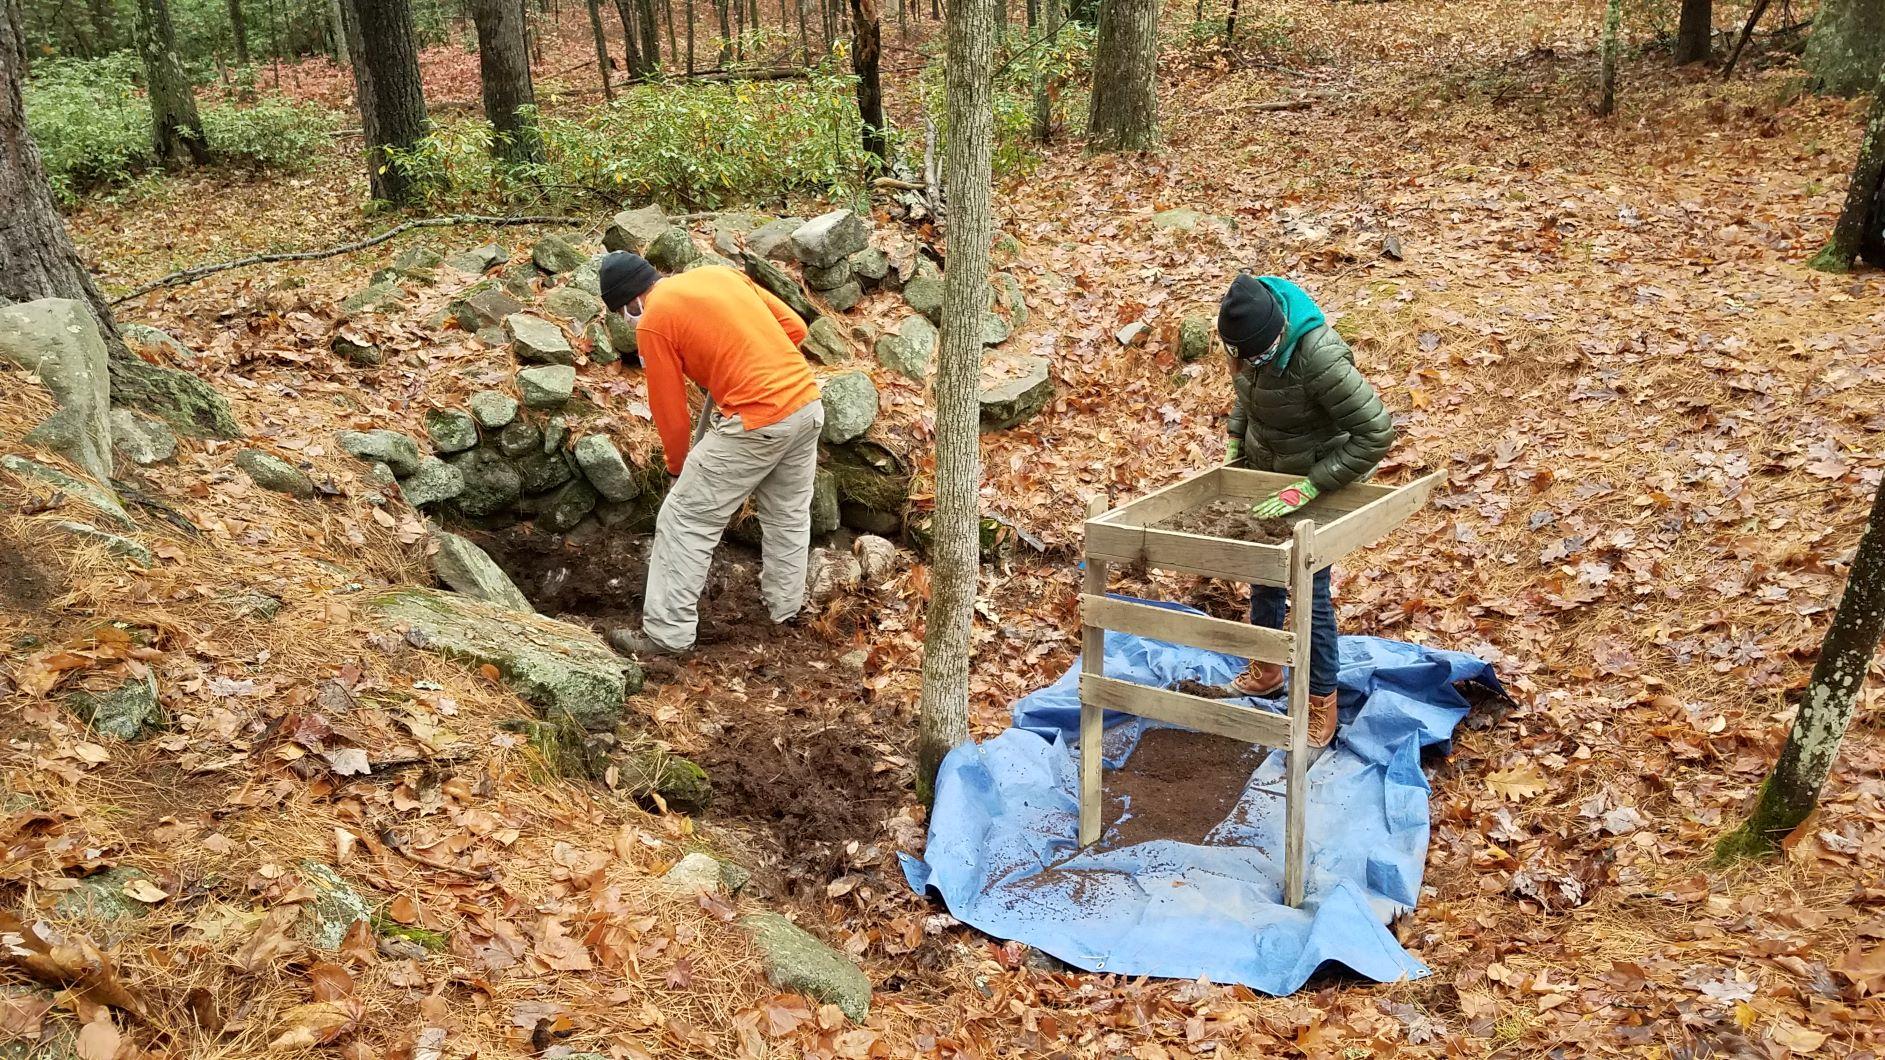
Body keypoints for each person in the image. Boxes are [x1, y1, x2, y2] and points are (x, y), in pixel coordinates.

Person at [597, 251, 826, 656]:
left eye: (622, 313)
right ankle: (786, 611)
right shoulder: (719, 275)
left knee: (684, 518)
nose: (627, 320)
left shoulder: (653, 322)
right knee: (787, 513)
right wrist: (737, 367)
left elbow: (669, 410)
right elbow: (795, 327)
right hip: (805, 403)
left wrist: (676, 467)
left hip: (758, 419)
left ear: (630, 301)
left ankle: (667, 635)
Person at [1217, 273, 1395, 747]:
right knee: (1265, 573)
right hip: (1269, 473)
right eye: (1242, 356)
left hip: (1318, 478)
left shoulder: (1320, 356)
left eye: (1258, 354)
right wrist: (1237, 438)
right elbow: (1249, 395)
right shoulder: (1251, 344)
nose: (1249, 362)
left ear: (1279, 334)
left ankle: (1321, 702)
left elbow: (1376, 433)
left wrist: (1312, 487)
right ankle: (1268, 670)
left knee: (1310, 593)